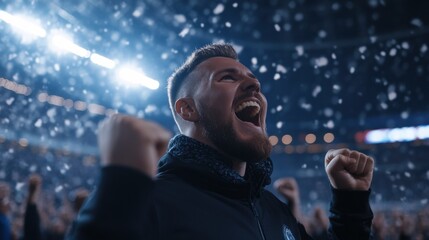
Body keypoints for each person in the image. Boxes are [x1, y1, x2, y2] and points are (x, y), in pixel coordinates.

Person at [67, 43, 374, 240]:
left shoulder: (271, 208)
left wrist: (350, 205)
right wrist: (121, 184)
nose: (254, 83)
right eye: (228, 77)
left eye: (252, 79)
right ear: (188, 109)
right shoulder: (148, 201)